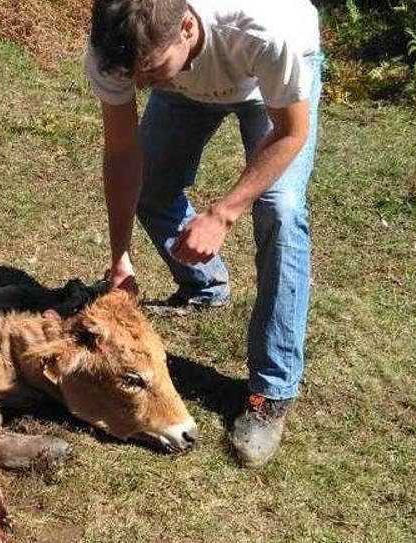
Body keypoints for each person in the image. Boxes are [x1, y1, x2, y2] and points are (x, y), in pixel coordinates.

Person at [84, 0, 322, 467]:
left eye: (148, 72)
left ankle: (271, 392)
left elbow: (291, 132)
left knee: (280, 208)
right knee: (151, 185)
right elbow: (121, 151)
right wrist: (119, 257)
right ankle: (206, 286)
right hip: (190, 81)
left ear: (187, 28)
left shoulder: (264, 32)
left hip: (269, 78)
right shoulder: (119, 47)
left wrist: (224, 213)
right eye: (133, 76)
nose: (140, 84)